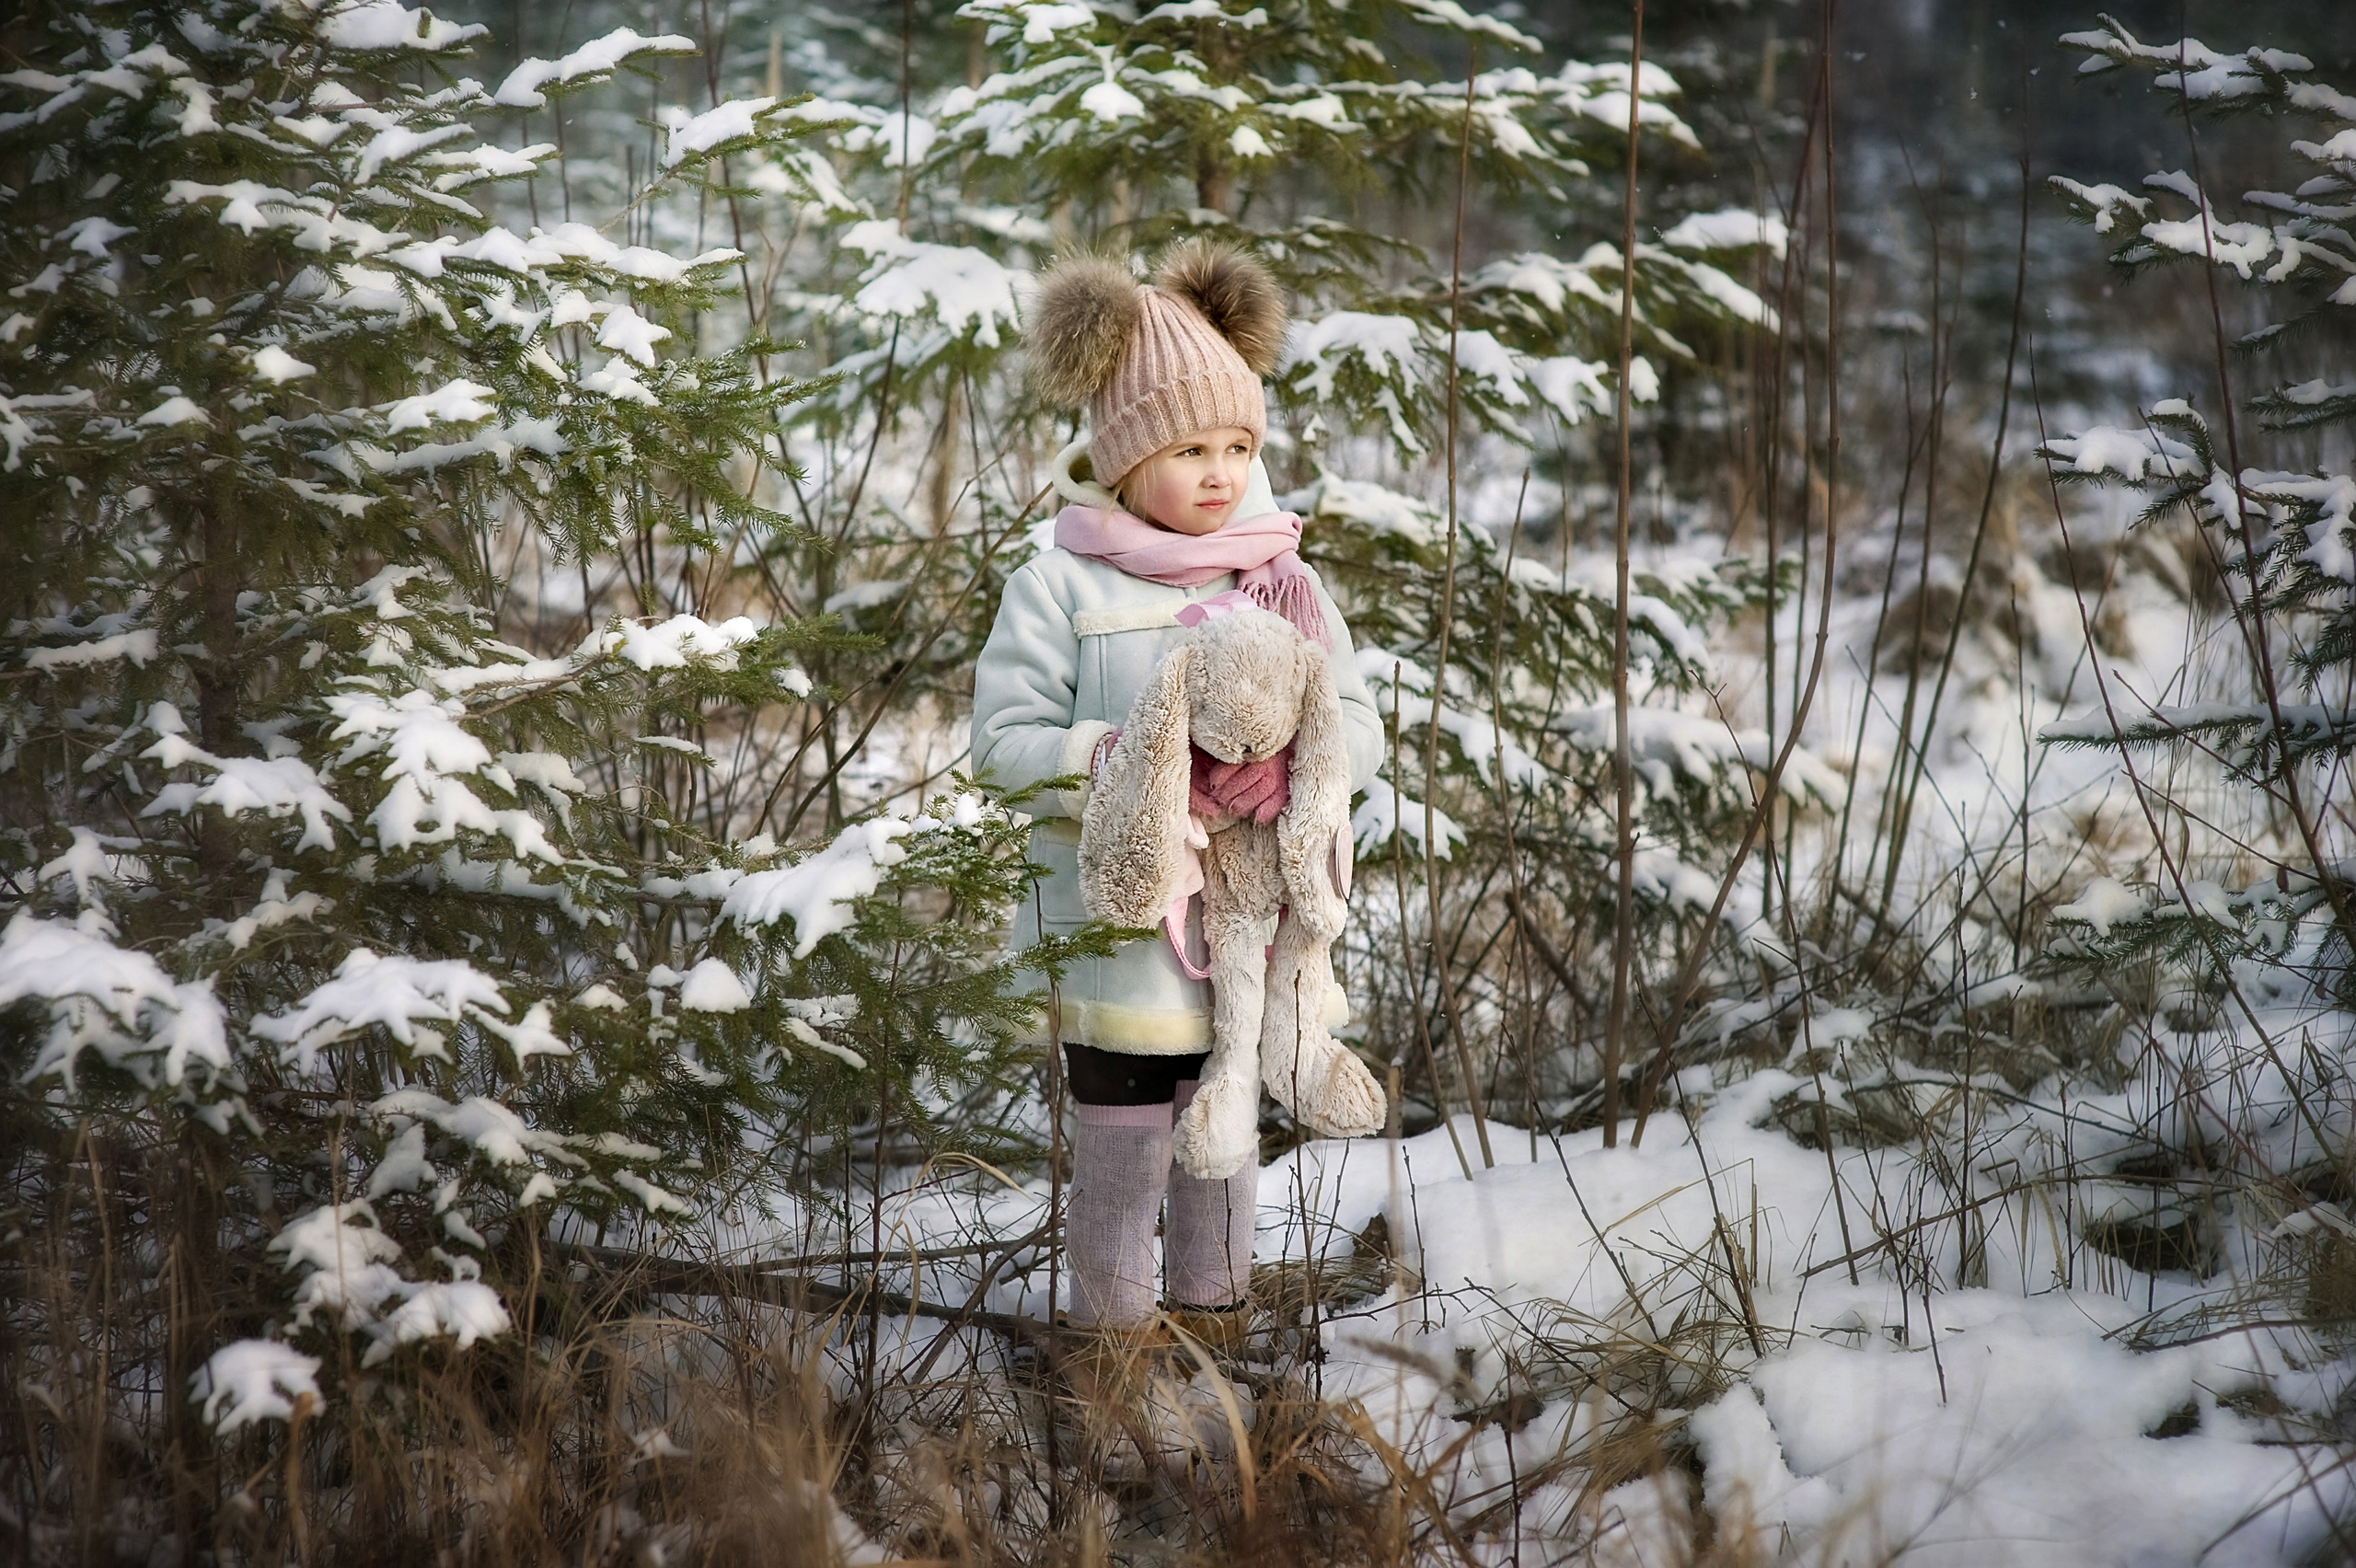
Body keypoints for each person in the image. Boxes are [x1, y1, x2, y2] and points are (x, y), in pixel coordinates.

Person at [969, 240, 1384, 1469]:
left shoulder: (1283, 580)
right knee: (1124, 1143)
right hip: (1117, 943)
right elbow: (1001, 743)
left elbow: (1353, 721)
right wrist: (1121, 762)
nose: (1219, 473)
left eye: (1238, 447)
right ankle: (1109, 1359)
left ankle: (1214, 1338)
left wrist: (1296, 772)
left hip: (1246, 935)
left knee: (1224, 1132)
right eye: (1190, 448)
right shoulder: (1062, 585)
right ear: (1123, 454)